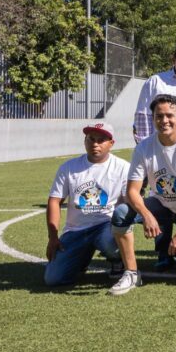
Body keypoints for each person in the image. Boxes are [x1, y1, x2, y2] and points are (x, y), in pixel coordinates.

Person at [109, 94, 176, 295]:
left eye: (169, 115)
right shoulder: (144, 147)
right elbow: (132, 191)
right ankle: (132, 272)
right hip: (162, 205)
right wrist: (147, 215)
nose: (164, 120)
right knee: (121, 213)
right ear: (153, 118)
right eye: (159, 116)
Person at [43, 122, 129, 287]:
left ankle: (117, 260)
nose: (95, 144)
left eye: (101, 140)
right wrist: (53, 237)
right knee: (54, 279)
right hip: (76, 230)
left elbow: (129, 203)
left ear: (111, 143)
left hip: (106, 226)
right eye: (91, 139)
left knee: (110, 239)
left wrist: (124, 228)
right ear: (85, 141)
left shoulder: (123, 167)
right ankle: (81, 259)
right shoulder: (69, 167)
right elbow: (55, 200)